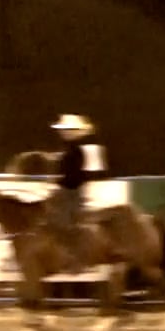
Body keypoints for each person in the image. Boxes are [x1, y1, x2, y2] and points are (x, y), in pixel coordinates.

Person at [47, 113, 105, 270]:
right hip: (69, 190)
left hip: (73, 192)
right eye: (64, 130)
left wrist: (58, 184)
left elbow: (75, 176)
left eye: (68, 130)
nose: (64, 132)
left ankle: (74, 257)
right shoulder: (70, 149)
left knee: (64, 221)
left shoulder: (77, 150)